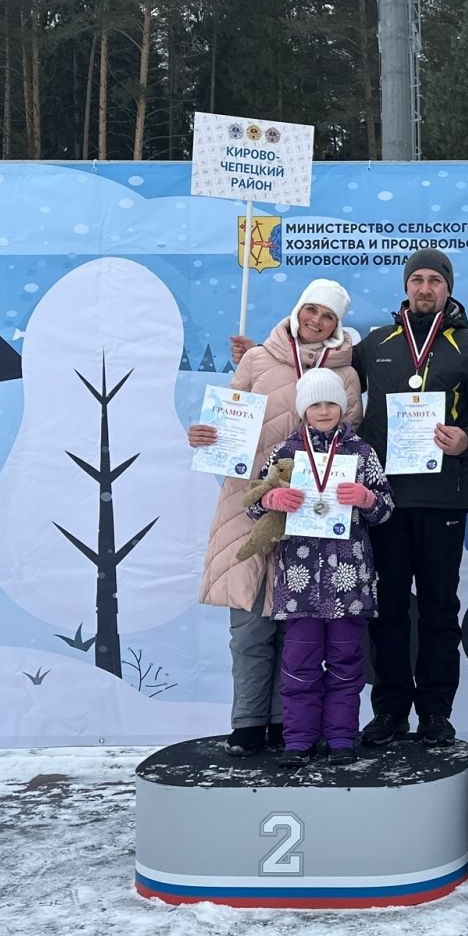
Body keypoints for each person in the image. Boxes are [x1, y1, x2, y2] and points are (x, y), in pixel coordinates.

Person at [189, 280, 360, 754]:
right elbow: (228, 424)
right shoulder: (256, 360)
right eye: (311, 310)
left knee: (294, 620)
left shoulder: (345, 374)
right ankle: (247, 722)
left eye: (328, 316)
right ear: (297, 309)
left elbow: (351, 438)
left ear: (336, 324)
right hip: (248, 504)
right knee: (247, 620)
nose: (316, 321)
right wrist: (207, 436)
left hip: (309, 513)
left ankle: (287, 721)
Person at [352, 248, 468, 747]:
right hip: (383, 501)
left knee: (437, 610)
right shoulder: (372, 346)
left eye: (436, 280)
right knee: (388, 611)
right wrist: (256, 356)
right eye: (418, 280)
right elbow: (321, 378)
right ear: (406, 287)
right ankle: (389, 710)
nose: (426, 288)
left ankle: (436, 712)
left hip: (442, 501)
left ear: (448, 289)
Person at [249, 368, 395, 766]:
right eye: (316, 404)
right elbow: (252, 504)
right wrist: (270, 502)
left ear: (343, 407)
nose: (325, 410)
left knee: (348, 663)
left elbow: (385, 510)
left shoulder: (361, 452)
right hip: (299, 582)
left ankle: (342, 738)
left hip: (350, 579)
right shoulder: (284, 453)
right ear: (303, 410)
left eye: (331, 403)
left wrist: (367, 499)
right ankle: (298, 740)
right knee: (299, 665)